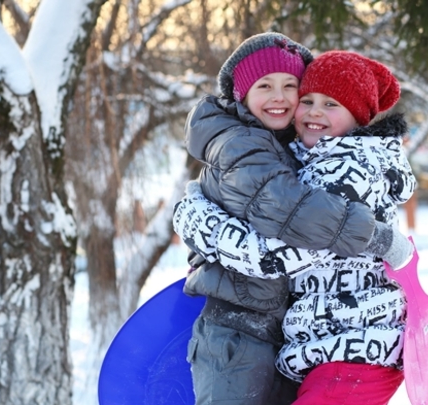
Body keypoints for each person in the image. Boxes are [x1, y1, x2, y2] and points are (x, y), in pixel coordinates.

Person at [172, 31, 414, 405]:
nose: (281, 97)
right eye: (265, 85)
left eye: (291, 86)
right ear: (241, 93)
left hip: (297, 333)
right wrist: (375, 237)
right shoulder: (244, 145)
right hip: (239, 325)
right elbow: (289, 221)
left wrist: (193, 215)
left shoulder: (302, 152)